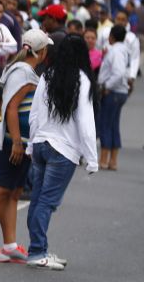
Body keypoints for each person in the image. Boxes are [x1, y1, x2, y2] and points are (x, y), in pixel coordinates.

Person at [0, 29, 50, 263]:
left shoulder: (25, 71)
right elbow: (11, 108)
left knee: (13, 192)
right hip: (13, 143)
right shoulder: (23, 72)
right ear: (41, 51)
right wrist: (17, 141)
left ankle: (9, 244)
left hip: (23, 143)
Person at [26, 34, 97, 270]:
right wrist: (92, 159)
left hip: (40, 144)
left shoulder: (47, 75)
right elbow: (86, 123)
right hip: (63, 150)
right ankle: (37, 252)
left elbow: (34, 114)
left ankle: (38, 249)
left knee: (38, 199)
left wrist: (30, 144)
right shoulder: (82, 80)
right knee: (47, 202)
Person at [98, 26, 130, 170]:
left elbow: (118, 73)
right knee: (113, 125)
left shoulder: (116, 51)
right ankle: (113, 160)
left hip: (113, 91)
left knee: (105, 124)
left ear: (112, 36)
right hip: (120, 91)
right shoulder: (123, 50)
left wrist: (107, 87)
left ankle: (104, 159)